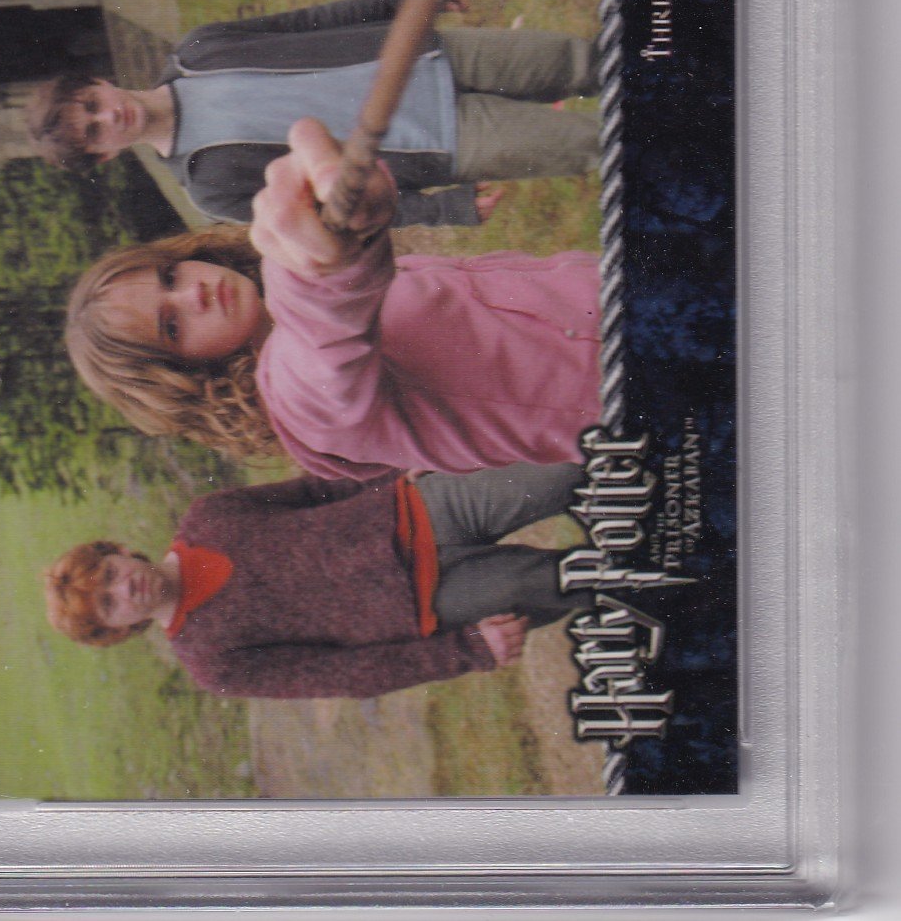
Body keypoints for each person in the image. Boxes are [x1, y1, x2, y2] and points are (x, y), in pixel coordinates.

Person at [64, 118, 601, 476]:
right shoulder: (300, 405)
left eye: (169, 277)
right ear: (183, 374)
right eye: (172, 326)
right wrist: (314, 263)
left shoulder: (272, 302)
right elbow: (321, 325)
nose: (194, 294)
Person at [27, 0, 598, 227]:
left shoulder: (200, 50)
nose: (108, 117)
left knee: (585, 61)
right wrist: (442, 210)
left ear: (99, 82)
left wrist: (399, 0)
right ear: (105, 156)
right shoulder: (209, 187)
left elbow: (307, 23)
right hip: (441, 141)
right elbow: (335, 218)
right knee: (593, 144)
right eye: (95, 132)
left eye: (93, 104)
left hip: (428, 54)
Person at [43, 460, 595, 699]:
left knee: (567, 474)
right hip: (434, 602)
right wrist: (468, 651)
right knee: (568, 581)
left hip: (422, 508)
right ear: (120, 630)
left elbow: (317, 489)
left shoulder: (208, 516)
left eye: (110, 573)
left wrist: (397, 467)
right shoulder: (212, 663)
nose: (124, 588)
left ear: (119, 551)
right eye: (110, 604)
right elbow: (344, 675)